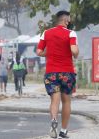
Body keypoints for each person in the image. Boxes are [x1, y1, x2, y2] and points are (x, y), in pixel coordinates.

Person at [36, 10, 79, 139]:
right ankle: (63, 131)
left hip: (51, 73)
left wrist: (48, 53)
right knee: (66, 101)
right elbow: (74, 50)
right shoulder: (71, 33)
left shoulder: (46, 33)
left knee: (55, 100)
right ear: (66, 21)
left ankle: (53, 120)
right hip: (67, 72)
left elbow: (39, 51)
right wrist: (76, 53)